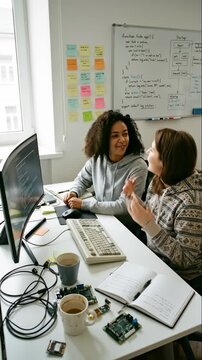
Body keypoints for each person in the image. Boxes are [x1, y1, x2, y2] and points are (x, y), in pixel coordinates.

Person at [123, 128, 202, 294]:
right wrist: (130, 196)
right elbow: (146, 216)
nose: (147, 152)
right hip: (155, 259)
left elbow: (186, 260)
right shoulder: (160, 180)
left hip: (182, 278)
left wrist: (148, 225)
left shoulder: (191, 203)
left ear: (166, 160)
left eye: (152, 150)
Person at [64, 110, 148, 219]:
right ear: (103, 139)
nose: (122, 140)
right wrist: (73, 192)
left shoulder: (138, 166)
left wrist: (84, 205)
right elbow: (82, 180)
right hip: (101, 217)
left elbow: (123, 206)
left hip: (124, 227)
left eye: (125, 134)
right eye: (115, 136)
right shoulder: (97, 159)